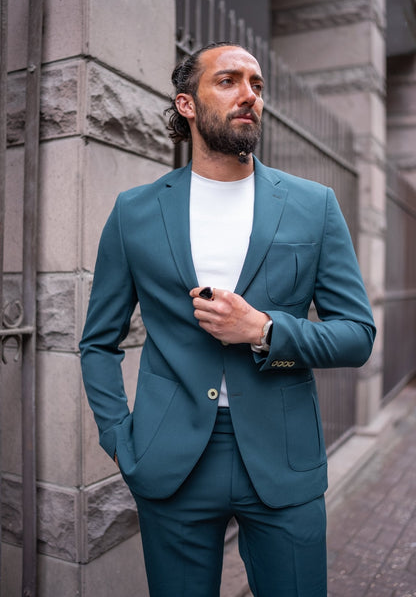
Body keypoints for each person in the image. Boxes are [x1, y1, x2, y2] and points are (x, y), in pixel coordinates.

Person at [80, 42, 376, 597]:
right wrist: (120, 438)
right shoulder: (135, 211)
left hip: (284, 459)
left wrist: (264, 331)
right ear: (186, 104)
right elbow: (98, 341)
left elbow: (357, 335)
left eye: (257, 86)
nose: (249, 96)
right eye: (229, 81)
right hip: (171, 463)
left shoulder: (314, 205)